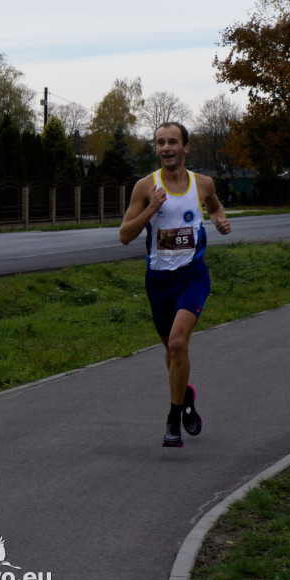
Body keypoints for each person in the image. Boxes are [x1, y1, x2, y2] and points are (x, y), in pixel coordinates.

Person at [119, 122, 231, 447]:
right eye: (160, 143)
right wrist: (152, 209)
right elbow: (125, 236)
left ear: (186, 147)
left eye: (172, 142)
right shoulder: (145, 187)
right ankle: (186, 397)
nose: (166, 148)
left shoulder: (203, 184)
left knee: (179, 344)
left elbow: (215, 207)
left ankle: (172, 419)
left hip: (192, 276)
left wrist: (218, 221)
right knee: (170, 352)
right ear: (156, 149)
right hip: (157, 280)